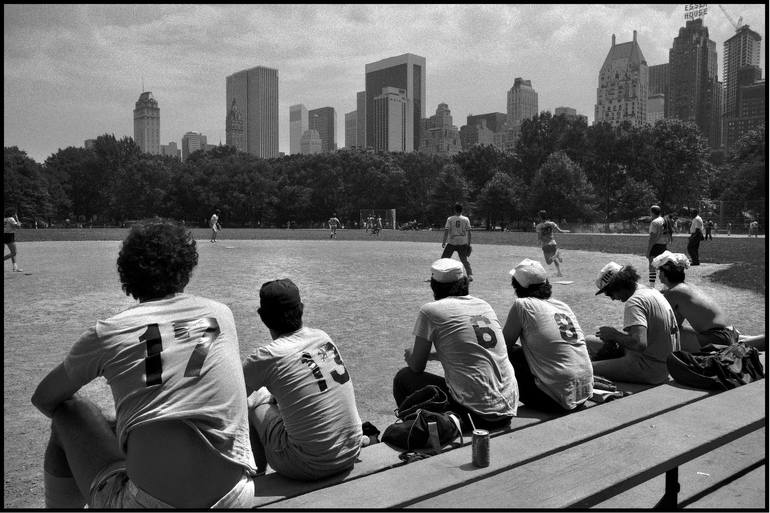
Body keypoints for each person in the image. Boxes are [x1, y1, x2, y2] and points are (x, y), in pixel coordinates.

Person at [30, 219, 258, 508]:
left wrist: (116, 428)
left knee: (70, 411)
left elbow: (45, 399)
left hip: (148, 504)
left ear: (127, 274)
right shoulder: (221, 314)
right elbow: (183, 394)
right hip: (236, 497)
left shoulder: (109, 331)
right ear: (186, 268)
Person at [242, 278, 364, 480]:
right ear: (302, 308)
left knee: (252, 399)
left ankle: (257, 474)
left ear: (263, 317)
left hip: (307, 464)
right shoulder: (322, 337)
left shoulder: (267, 356)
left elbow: (231, 400)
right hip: (350, 451)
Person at [393, 258, 518, 431]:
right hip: (507, 410)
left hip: (477, 415)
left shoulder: (431, 311)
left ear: (434, 286)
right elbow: (471, 350)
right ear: (465, 283)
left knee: (404, 378)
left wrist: (414, 355)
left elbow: (416, 367)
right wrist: (432, 355)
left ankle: (416, 428)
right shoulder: (484, 305)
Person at [502, 259, 593, 413]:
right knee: (521, 352)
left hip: (557, 400)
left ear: (517, 286)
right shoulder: (562, 306)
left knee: (505, 355)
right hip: (583, 392)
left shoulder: (522, 305)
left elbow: (503, 347)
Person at [585, 262, 680, 385]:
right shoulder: (650, 291)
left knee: (585, 370)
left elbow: (639, 344)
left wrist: (614, 335)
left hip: (650, 367)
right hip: (668, 364)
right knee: (589, 341)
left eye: (609, 293)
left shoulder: (634, 302)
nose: (612, 298)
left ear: (618, 285)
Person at [652, 251, 766, 352]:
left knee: (666, 335)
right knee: (676, 332)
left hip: (718, 337)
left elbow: (668, 327)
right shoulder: (687, 287)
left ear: (664, 273)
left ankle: (731, 348)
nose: (658, 274)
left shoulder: (673, 293)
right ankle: (750, 341)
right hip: (730, 331)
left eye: (659, 270)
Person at [441, 203, 473, 281]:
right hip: (462, 242)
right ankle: (470, 275)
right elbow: (469, 232)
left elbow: (446, 231)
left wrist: (444, 242)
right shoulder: (466, 219)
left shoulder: (450, 219)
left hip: (452, 242)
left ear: (455, 210)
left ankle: (439, 275)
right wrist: (468, 244)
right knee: (464, 260)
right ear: (462, 210)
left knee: (444, 259)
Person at [535, 210, 569, 278]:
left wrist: (538, 242)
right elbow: (560, 231)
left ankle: (557, 254)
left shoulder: (538, 226)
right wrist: (565, 231)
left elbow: (539, 237)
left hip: (545, 245)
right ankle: (559, 273)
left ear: (539, 217)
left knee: (548, 262)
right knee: (554, 258)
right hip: (553, 243)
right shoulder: (551, 223)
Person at [646, 205, 673, 288]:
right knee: (663, 266)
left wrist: (648, 251)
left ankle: (652, 287)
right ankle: (665, 286)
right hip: (663, 246)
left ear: (652, 212)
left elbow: (652, 238)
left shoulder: (654, 222)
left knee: (652, 266)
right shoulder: (664, 220)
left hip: (655, 246)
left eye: (650, 212)